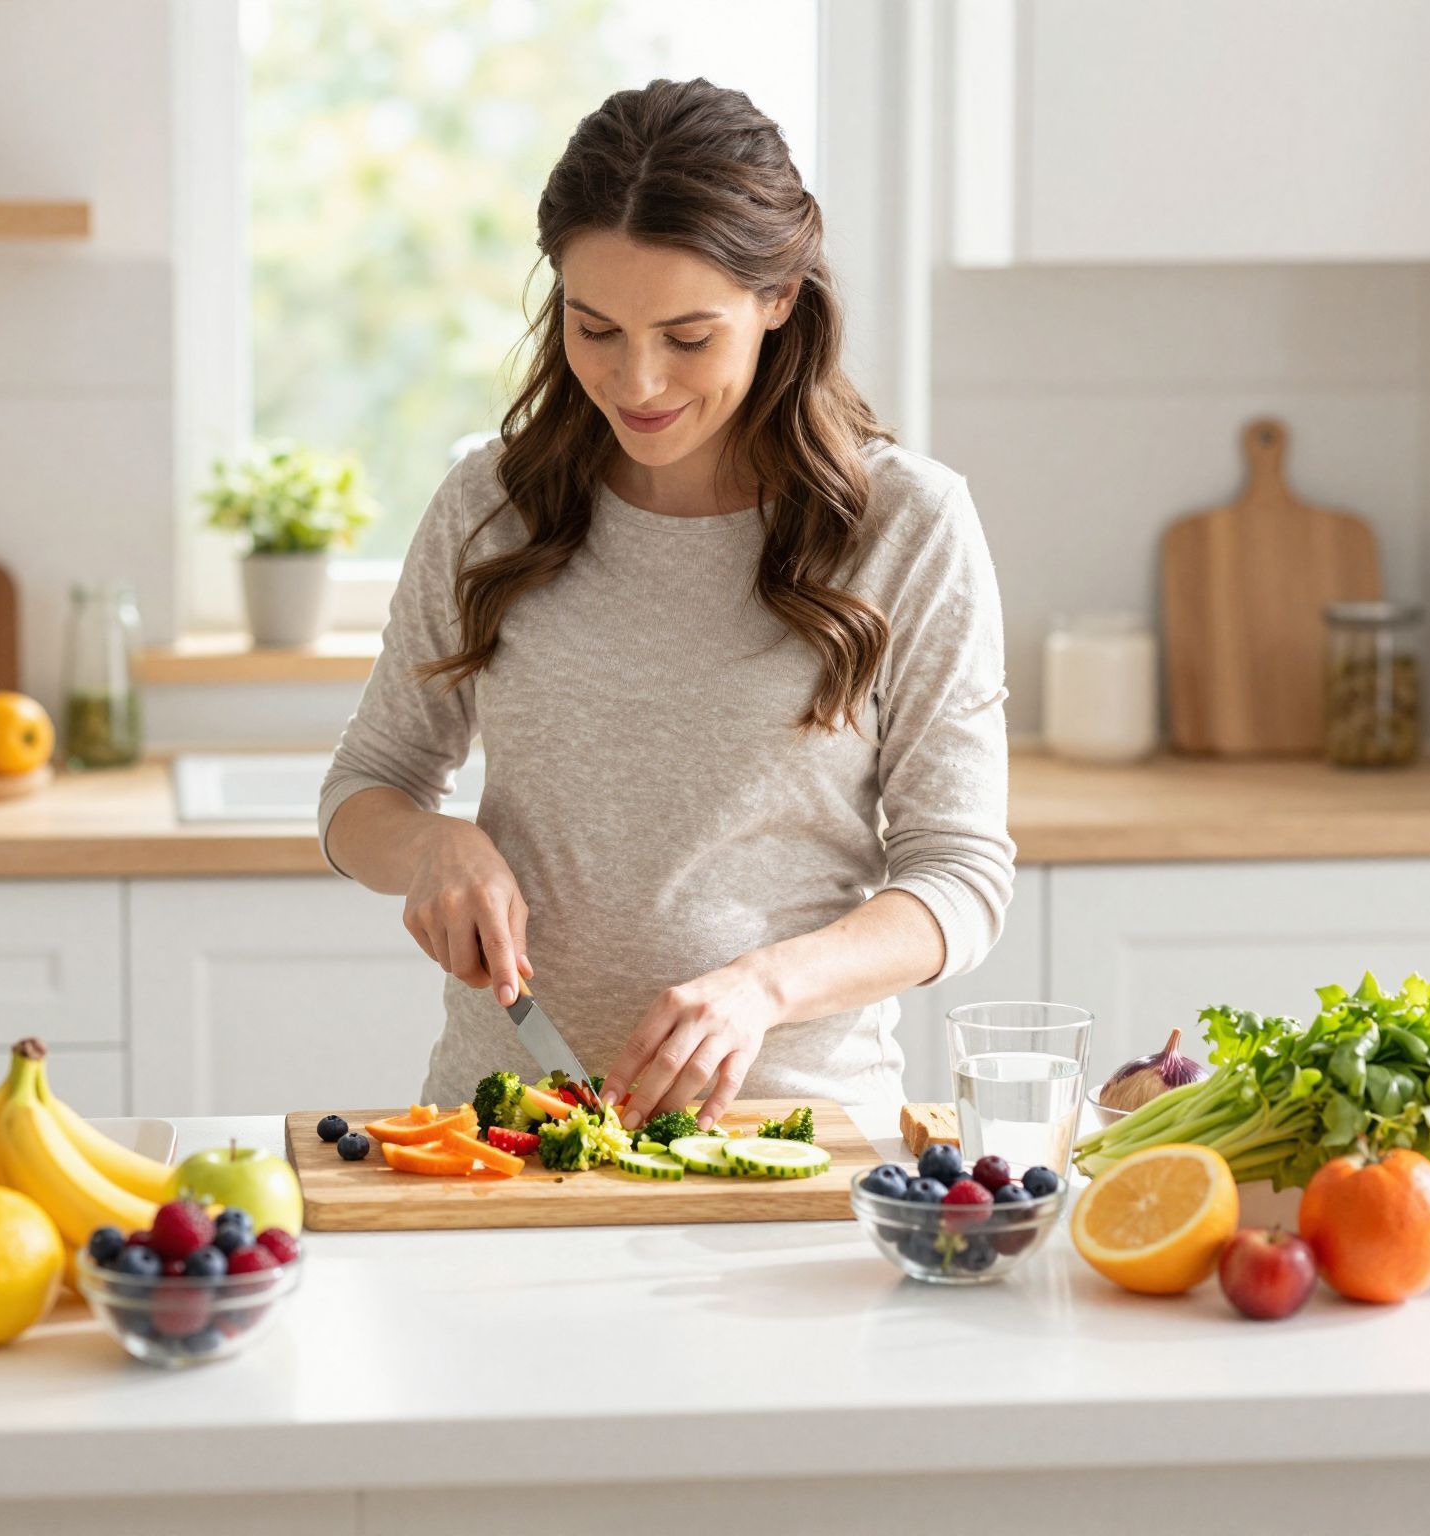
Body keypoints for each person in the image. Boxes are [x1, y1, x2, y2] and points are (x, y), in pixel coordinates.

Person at [319, 78, 1013, 1131]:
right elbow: (364, 789)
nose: (635, 381)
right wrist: (430, 847)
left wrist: (761, 989)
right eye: (594, 329)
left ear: (778, 298)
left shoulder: (907, 526)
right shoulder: (488, 506)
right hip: (499, 1134)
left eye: (687, 337)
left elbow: (959, 879)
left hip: (789, 1136)